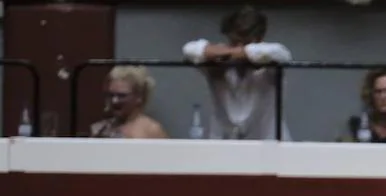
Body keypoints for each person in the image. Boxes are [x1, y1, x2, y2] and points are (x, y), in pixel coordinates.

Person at [181, 5, 292, 140]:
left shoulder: (270, 64)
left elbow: (281, 54)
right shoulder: (217, 60)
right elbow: (189, 50)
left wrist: (239, 53)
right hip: (223, 146)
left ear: (260, 39)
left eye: (245, 43)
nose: (239, 48)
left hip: (268, 146)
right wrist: (225, 55)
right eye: (234, 42)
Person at [88, 66, 168, 139]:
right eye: (111, 95)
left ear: (139, 96)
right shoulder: (101, 129)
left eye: (121, 96)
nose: (114, 101)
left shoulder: (151, 130)